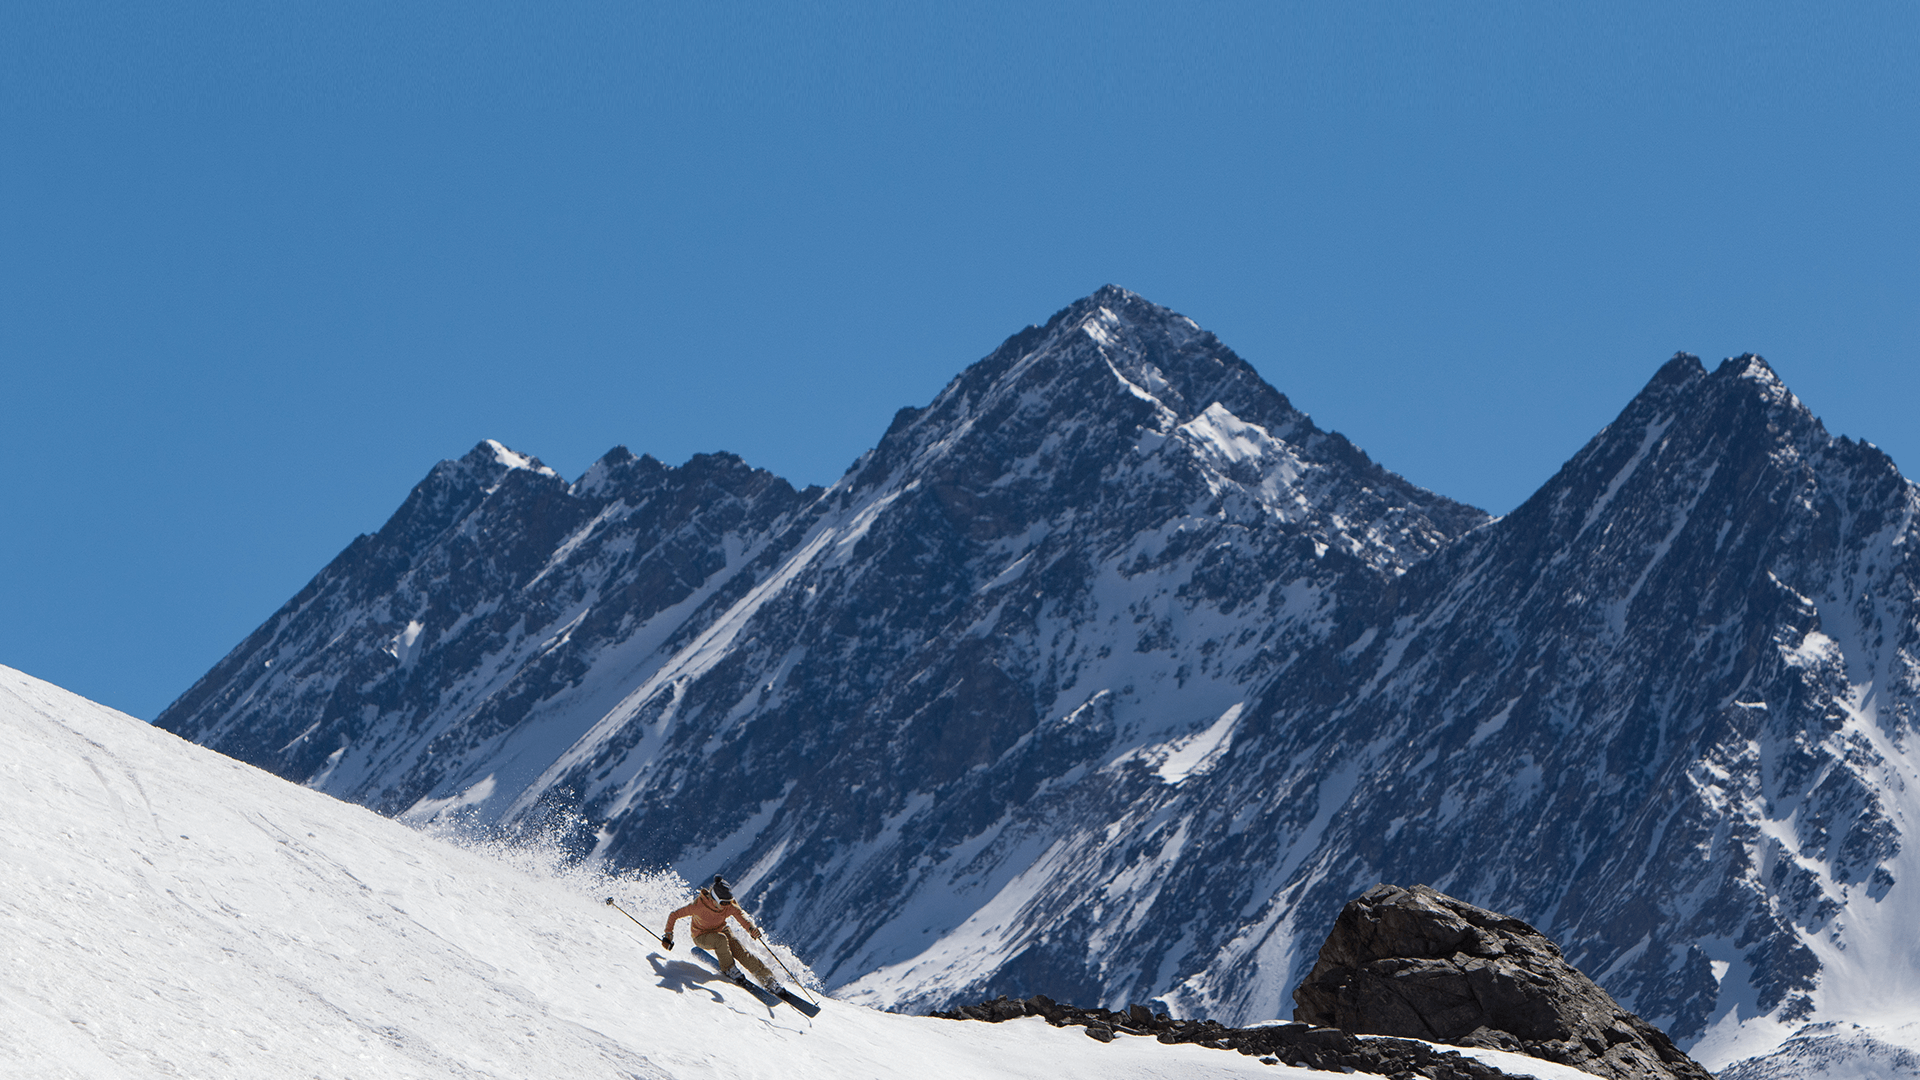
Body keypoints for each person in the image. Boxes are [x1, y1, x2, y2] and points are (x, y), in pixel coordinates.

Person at [662, 875, 778, 990]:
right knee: (720, 939)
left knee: (742, 952)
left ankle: (767, 979)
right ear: (715, 899)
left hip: (721, 929)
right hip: (701, 936)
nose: (727, 905)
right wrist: (668, 935)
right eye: (723, 903)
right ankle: (729, 968)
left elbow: (740, 915)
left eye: (728, 902)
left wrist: (751, 928)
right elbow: (674, 915)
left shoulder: (728, 904)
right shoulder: (698, 906)